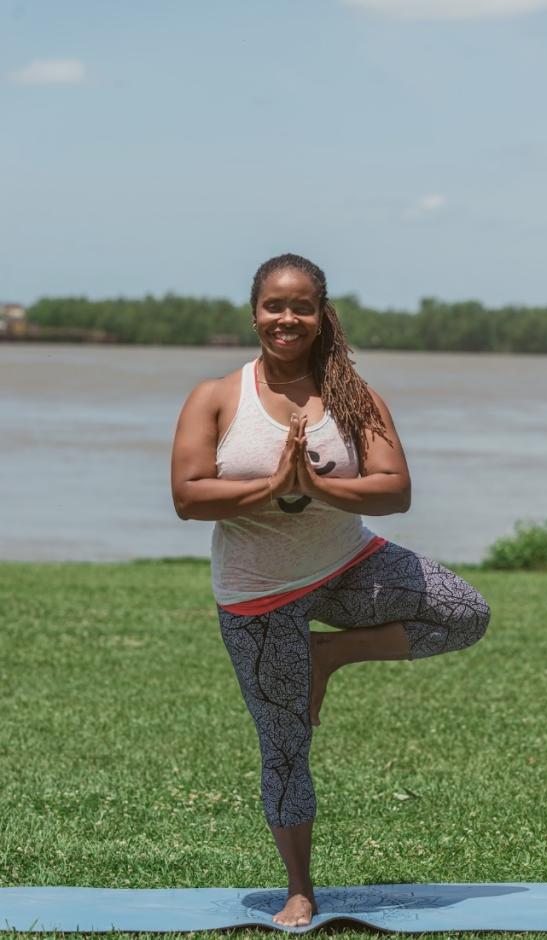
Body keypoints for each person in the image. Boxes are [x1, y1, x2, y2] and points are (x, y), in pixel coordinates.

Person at [170, 252, 491, 928]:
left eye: (301, 307)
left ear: (321, 316)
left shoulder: (352, 394)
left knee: (464, 612)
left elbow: (395, 490)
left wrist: (316, 488)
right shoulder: (217, 397)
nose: (286, 318)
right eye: (273, 306)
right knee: (285, 746)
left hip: (350, 567)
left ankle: (330, 655)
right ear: (254, 311)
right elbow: (189, 497)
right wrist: (270, 487)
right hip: (259, 598)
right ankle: (299, 889)